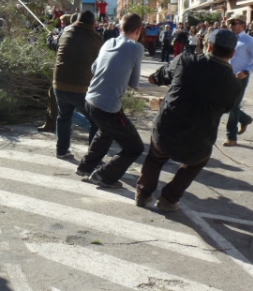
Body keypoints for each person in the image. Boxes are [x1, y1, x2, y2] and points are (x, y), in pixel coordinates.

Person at [137, 29, 242, 211]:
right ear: (233, 53)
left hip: (166, 128)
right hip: (198, 138)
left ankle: (143, 194)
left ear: (209, 46)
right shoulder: (234, 85)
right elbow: (227, 108)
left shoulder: (185, 60)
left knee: (155, 158)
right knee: (197, 161)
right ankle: (169, 199)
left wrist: (155, 79)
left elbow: (160, 76)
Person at [75, 12, 145, 187]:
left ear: (120, 28)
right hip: (107, 107)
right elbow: (134, 83)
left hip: (90, 99)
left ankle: (85, 167)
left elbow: (93, 68)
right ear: (138, 30)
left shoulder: (108, 42)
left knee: (106, 131)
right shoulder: (137, 48)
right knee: (135, 148)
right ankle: (104, 176)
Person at [52, 11, 103, 158]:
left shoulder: (65, 32)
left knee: (64, 116)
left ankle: (61, 151)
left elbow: (55, 45)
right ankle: (92, 158)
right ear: (92, 24)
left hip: (59, 83)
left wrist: (52, 37)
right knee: (96, 121)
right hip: (81, 88)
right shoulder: (97, 39)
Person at [223, 14, 253, 146]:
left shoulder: (250, 41)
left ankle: (232, 137)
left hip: (240, 78)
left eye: (233, 23)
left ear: (242, 25)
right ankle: (245, 119)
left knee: (234, 107)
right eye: (230, 23)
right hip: (227, 77)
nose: (231, 26)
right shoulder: (230, 39)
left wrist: (247, 71)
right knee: (226, 104)